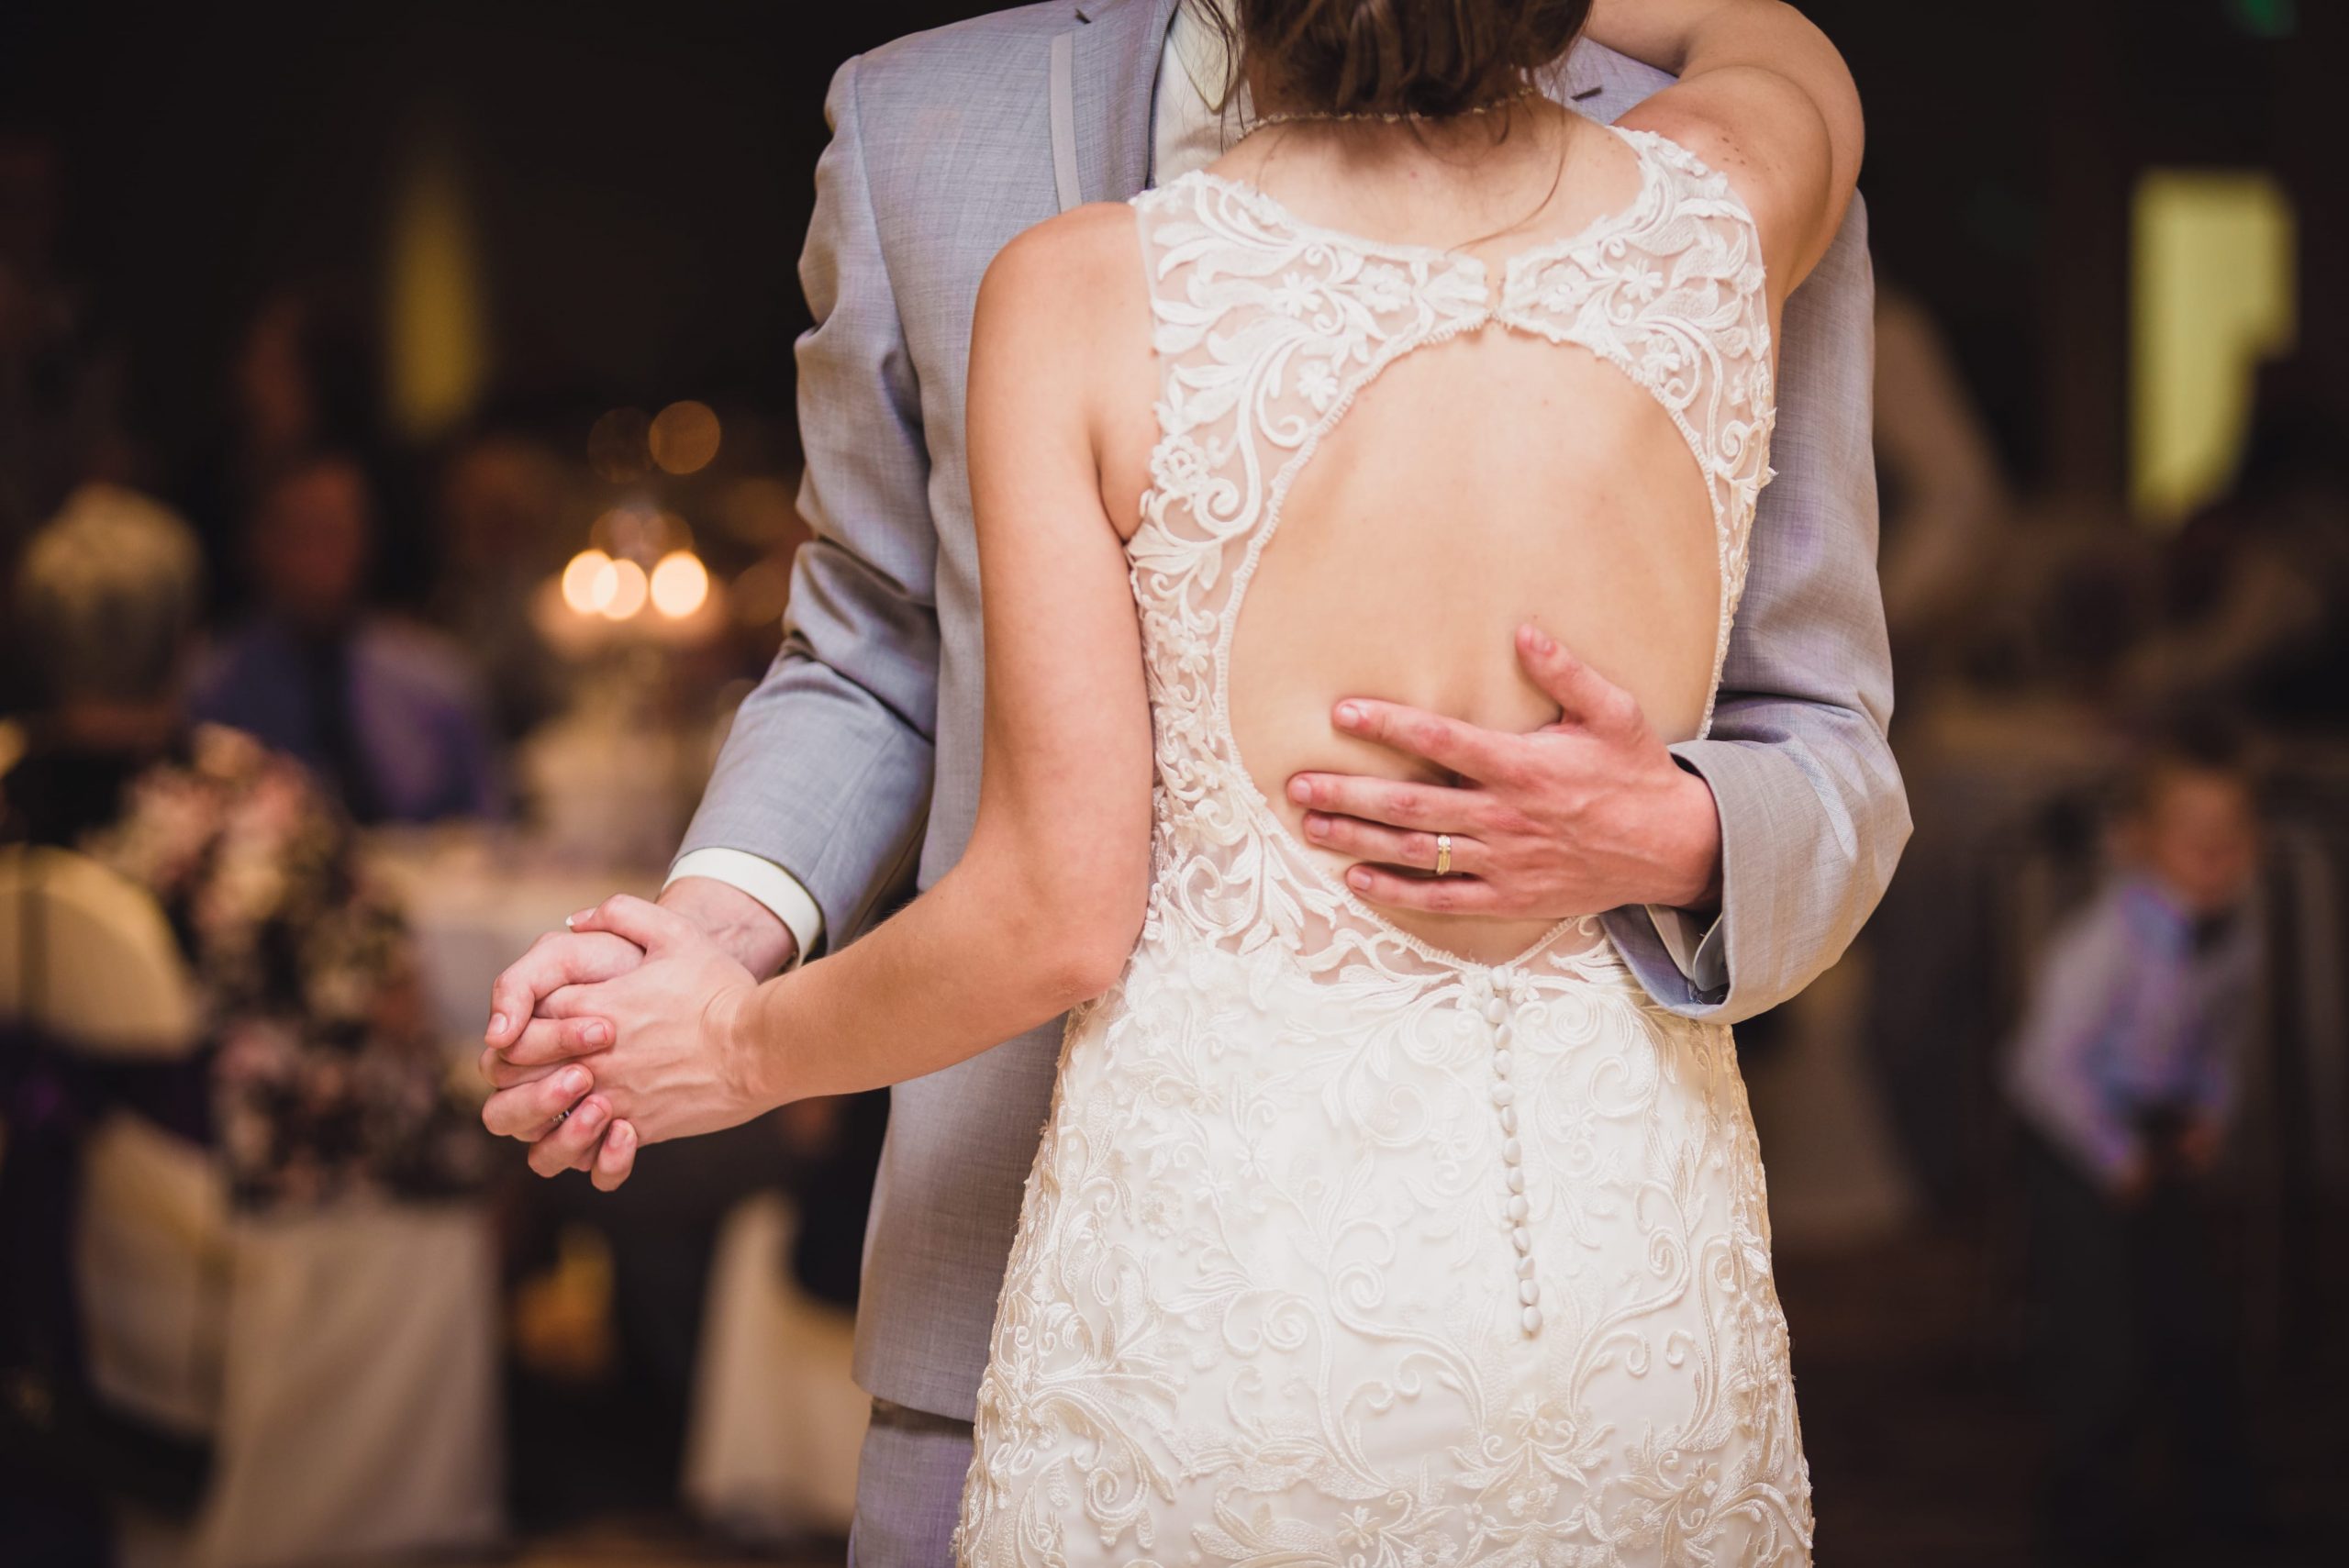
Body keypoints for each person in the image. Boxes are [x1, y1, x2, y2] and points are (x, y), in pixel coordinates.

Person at [484, 0, 1899, 1560]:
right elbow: (1781, 45)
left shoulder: (1084, 293)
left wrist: (741, 1047)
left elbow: (1057, 908)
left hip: (1216, 1293)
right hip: (1616, 1286)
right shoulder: (1721, 202)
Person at [3, 483, 484, 1207]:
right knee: (514, 1116)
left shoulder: (12, 789)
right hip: (254, 1173)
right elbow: (395, 998)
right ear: (185, 640)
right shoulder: (252, 804)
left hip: (92, 1181)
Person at [2005, 723, 2265, 1562]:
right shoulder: (2105, 941)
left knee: (2191, 1319)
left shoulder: (2238, 934)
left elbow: (2223, 1035)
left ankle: (2220, 1509)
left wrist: (2210, 1111)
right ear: (2140, 842)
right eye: (2196, 839)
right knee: (2099, 1342)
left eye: (2234, 838)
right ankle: (2084, 1522)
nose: (2218, 856)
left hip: (2158, 1131)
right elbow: (2038, 1065)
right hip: (2072, 1139)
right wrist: (2114, 1155)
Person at [191, 450, 504, 824]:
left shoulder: (436, 682)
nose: (321, 553)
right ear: (256, 543)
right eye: (300, 532)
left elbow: (492, 826)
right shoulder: (211, 693)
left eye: (337, 528)